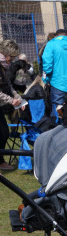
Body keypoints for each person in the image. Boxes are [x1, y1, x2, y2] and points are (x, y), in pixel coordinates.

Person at [0, 40, 24, 172]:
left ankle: (1, 162)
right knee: (2, 133)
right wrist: (10, 100)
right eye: (12, 56)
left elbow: (8, 85)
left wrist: (18, 97)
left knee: (4, 132)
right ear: (5, 53)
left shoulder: (4, 66)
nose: (12, 60)